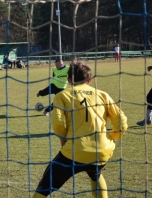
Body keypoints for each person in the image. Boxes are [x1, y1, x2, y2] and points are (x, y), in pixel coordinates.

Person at [33, 61, 128, 198]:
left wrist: (64, 139)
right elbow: (122, 122)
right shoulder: (102, 94)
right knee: (95, 174)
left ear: (69, 80)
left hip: (74, 151)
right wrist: (111, 138)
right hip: (101, 152)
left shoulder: (63, 95)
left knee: (45, 186)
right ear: (90, 79)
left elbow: (58, 124)